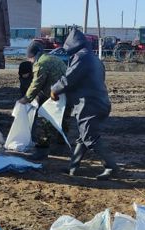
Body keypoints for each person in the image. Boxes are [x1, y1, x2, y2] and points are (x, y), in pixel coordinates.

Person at [51, 29, 118, 180]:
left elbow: (69, 79)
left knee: (90, 137)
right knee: (84, 137)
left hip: (89, 104)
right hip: (100, 102)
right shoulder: (93, 58)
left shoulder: (81, 57)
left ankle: (111, 167)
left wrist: (54, 90)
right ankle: (73, 167)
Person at [18, 40, 67, 161]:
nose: (30, 60)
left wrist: (26, 98)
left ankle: (41, 151)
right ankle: (61, 147)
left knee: (44, 122)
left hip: (54, 95)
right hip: (66, 93)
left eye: (30, 57)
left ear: (34, 55)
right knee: (63, 120)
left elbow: (36, 84)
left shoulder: (40, 63)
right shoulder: (54, 59)